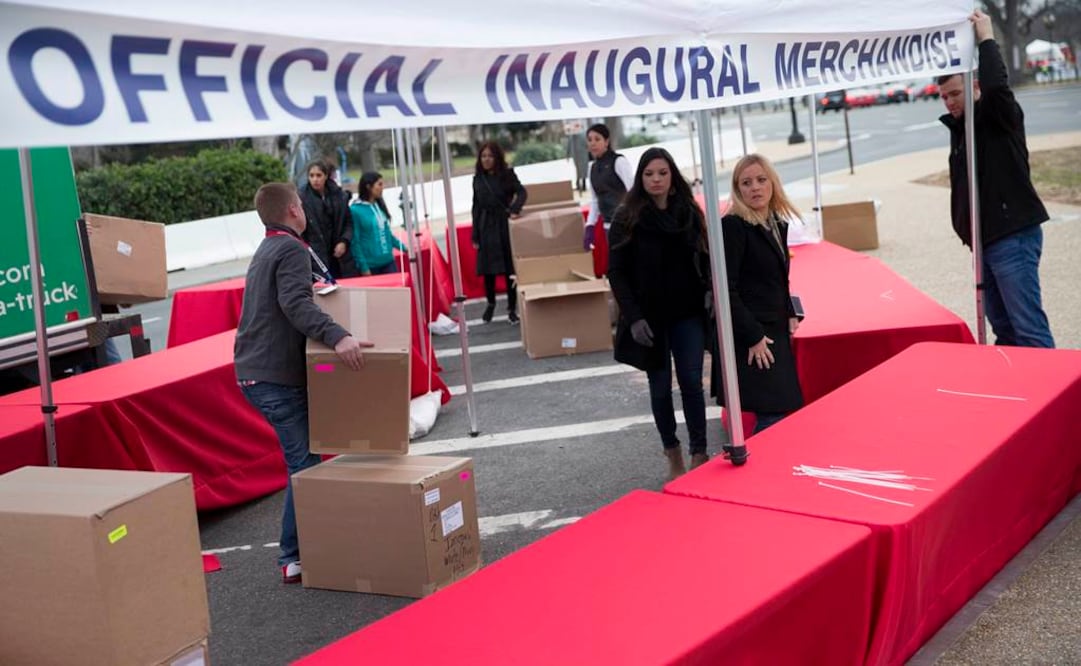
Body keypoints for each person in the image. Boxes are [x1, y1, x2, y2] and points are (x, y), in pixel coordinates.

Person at [234, 181, 371, 584]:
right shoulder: (291, 248)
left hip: (258, 372)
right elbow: (294, 302)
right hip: (274, 376)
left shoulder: (269, 247)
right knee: (304, 465)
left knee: (306, 460)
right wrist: (338, 336)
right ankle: (293, 556)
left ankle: (309, 545)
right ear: (294, 208)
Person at [937, 10, 1054, 348]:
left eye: (955, 94)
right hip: (984, 242)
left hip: (1011, 236)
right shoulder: (959, 128)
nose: (950, 102)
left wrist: (986, 38)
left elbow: (997, 86)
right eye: (944, 96)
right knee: (1004, 330)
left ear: (975, 86)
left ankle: (1059, 396)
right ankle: (1024, 393)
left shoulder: (999, 114)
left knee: (1028, 329)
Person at [608, 147, 711, 480]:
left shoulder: (689, 212)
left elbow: (705, 256)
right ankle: (673, 453)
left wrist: (709, 289)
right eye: (649, 174)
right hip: (648, 317)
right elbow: (617, 272)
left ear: (672, 176)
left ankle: (699, 452)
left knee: (693, 382)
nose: (656, 179)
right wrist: (634, 317)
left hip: (688, 312)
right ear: (640, 177)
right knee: (660, 388)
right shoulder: (627, 217)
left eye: (662, 173)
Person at [714, 154, 804, 434]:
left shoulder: (774, 222)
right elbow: (724, 289)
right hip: (752, 335)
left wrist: (790, 310)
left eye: (761, 180)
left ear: (773, 183)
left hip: (773, 328)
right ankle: (761, 474)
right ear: (737, 189)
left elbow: (778, 278)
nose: (755, 187)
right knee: (772, 415)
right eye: (746, 182)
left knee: (777, 410)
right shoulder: (733, 226)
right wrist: (752, 336)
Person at [471, 141, 527, 324]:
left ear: (497, 158)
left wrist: (515, 208)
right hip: (485, 225)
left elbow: (522, 192)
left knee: (509, 269)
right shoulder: (478, 179)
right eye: (483, 156)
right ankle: (491, 303)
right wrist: (475, 234)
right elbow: (476, 207)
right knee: (488, 269)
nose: (486, 159)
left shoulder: (507, 175)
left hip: (504, 224)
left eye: (490, 156)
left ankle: (512, 309)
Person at [299, 160, 356, 279]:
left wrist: (344, 241)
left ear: (326, 176)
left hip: (340, 255)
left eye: (319, 175)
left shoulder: (339, 195)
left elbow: (348, 223)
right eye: (311, 175)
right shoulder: (301, 198)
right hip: (316, 257)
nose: (315, 179)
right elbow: (299, 231)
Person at [582, 123, 634, 251]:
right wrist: (590, 226)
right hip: (608, 226)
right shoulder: (592, 168)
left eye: (597, 139)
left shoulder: (619, 161)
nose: (592, 143)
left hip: (626, 224)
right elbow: (595, 200)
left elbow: (633, 191)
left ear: (606, 141)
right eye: (589, 140)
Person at [350, 171, 407, 275]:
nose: (382, 188)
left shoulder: (378, 205)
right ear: (368, 186)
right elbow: (355, 241)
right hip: (371, 266)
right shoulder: (355, 210)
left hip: (389, 261)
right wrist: (363, 267)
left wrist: (403, 248)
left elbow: (387, 233)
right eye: (379, 184)